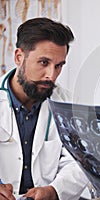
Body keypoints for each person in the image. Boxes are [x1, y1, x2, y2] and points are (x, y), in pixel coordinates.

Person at [0, 17, 88, 200]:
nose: (51, 75)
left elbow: (79, 162)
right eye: (43, 63)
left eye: (58, 66)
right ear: (19, 57)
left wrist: (54, 190)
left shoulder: (68, 103)